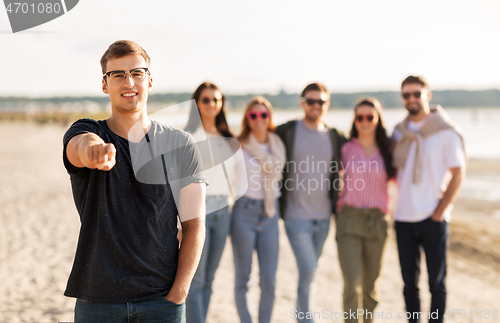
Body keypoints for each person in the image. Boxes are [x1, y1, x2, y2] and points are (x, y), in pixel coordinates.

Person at [62, 40, 208, 323]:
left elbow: (194, 224)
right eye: (117, 74)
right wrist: (93, 151)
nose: (128, 81)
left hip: (162, 302)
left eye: (137, 73)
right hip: (98, 303)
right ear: (105, 85)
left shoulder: (180, 144)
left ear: (149, 80)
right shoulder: (89, 132)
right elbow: (78, 147)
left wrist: (179, 292)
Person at [392, 75, 466, 323]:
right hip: (403, 217)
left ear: (428, 95)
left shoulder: (445, 131)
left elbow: (458, 173)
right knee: (409, 284)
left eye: (417, 94)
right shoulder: (399, 132)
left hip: (433, 217)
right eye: (406, 95)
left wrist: (439, 212)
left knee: (436, 283)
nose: (411, 99)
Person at [275, 82, 346, 323]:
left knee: (310, 275)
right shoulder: (287, 131)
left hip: (324, 217)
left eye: (321, 102)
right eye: (311, 101)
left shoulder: (336, 136)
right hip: (296, 217)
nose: (316, 106)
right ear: (302, 102)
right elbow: (260, 141)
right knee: (308, 270)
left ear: (328, 104)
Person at [335, 98, 396, 323]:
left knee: (370, 287)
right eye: (359, 117)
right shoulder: (345, 148)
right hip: (349, 220)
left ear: (378, 119)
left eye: (369, 117)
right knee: (352, 284)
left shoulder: (389, 149)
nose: (364, 122)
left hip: (377, 222)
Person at [184, 82, 237, 323]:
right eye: (206, 100)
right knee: (196, 279)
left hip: (224, 210)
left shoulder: (228, 139)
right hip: (199, 210)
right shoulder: (187, 138)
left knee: (210, 280)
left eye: (216, 100)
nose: (211, 105)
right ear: (197, 104)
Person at [231, 96, 286, 323]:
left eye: (264, 114)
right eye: (254, 115)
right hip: (244, 211)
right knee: (243, 278)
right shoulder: (239, 144)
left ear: (269, 117)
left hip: (270, 214)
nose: (259, 119)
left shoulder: (278, 144)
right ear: (247, 118)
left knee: (269, 281)